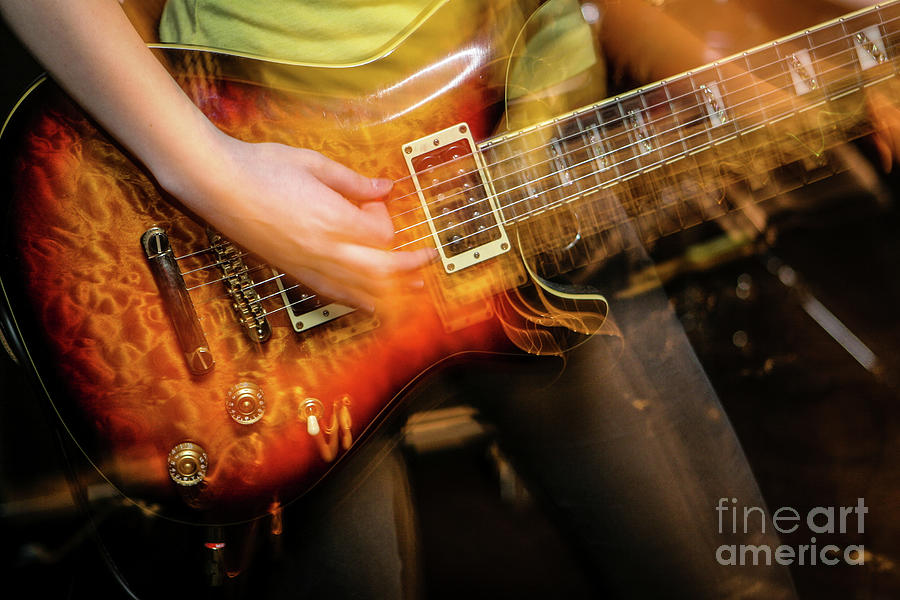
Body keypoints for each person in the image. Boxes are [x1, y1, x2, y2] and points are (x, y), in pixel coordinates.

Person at [1, 1, 895, 598]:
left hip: (531, 201)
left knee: (719, 582)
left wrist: (776, 80)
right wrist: (218, 181)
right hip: (249, 214)